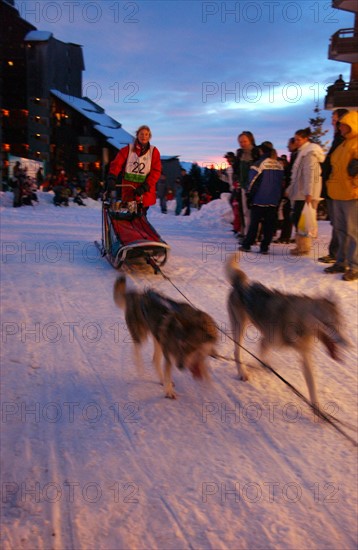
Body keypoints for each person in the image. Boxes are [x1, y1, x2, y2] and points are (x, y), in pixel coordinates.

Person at [324, 111, 358, 281]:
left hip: (352, 195)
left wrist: (355, 185)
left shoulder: (356, 144)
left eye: (343, 124)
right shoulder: (343, 144)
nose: (340, 126)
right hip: (337, 193)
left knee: (353, 232)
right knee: (341, 231)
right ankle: (341, 262)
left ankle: (354, 266)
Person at [240, 142, 284, 254]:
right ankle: (265, 247)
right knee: (269, 225)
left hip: (259, 199)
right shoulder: (279, 165)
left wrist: (249, 195)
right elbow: (281, 183)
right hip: (273, 200)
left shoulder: (258, 164)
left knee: (254, 224)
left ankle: (247, 244)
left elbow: (252, 182)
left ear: (261, 151)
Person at [286, 128, 325, 255]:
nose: (296, 142)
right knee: (299, 219)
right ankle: (301, 245)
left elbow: (310, 175)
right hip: (300, 192)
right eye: (295, 139)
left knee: (302, 220)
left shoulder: (309, 154)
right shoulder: (303, 153)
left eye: (299, 139)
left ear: (306, 139)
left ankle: (303, 247)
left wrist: (309, 193)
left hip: (304, 194)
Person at [318, 108, 349, 263]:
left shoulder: (345, 140)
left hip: (343, 189)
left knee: (342, 225)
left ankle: (341, 257)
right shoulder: (338, 137)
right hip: (332, 187)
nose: (332, 120)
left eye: (334, 117)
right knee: (337, 224)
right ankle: (336, 254)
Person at [107, 125, 161, 212]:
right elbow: (117, 163)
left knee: (141, 215)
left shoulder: (154, 151)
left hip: (144, 190)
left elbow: (156, 171)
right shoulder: (128, 149)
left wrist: (145, 187)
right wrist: (112, 177)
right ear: (137, 135)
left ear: (149, 137)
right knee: (130, 214)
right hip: (129, 189)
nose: (144, 136)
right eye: (141, 134)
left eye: (146, 134)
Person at [233, 131, 260, 240]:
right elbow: (238, 170)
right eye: (240, 142)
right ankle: (246, 233)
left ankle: (253, 234)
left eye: (245, 141)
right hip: (243, 186)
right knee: (244, 211)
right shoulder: (240, 154)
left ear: (251, 140)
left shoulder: (256, 152)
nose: (242, 143)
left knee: (253, 212)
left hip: (255, 187)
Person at [274, 137, 298, 243]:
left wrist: (288, 188)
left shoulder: (297, 156)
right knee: (287, 212)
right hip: (290, 188)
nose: (288, 146)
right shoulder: (294, 156)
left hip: (292, 189)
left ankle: (286, 236)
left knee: (288, 213)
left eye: (289, 144)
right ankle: (286, 236)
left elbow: (293, 173)